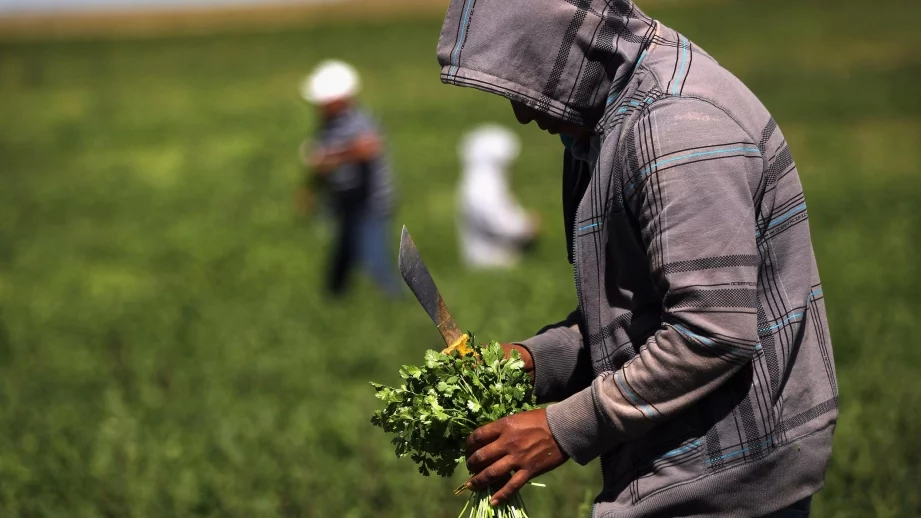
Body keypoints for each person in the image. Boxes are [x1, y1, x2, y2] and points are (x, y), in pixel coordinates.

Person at [436, 1, 837, 517]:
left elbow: (709, 331)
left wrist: (560, 428)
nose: (522, 112)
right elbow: (636, 310)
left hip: (726, 475)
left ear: (567, 53)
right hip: (685, 455)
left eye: (527, 83)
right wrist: (532, 363)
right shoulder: (607, 116)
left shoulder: (676, 128)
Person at [298, 60, 400, 298]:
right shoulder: (328, 126)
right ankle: (334, 299)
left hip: (369, 204)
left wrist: (328, 157)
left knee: (374, 259)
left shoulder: (359, 121)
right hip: (345, 203)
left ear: (339, 99)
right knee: (342, 258)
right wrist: (311, 188)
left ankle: (394, 300)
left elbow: (367, 148)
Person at [457, 124, 539, 269]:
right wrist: (526, 225)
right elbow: (497, 222)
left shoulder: (484, 182)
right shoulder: (482, 187)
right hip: (490, 261)